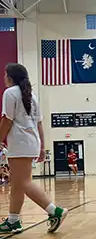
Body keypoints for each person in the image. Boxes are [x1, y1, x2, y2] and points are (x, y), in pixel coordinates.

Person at [0, 63, 67, 234]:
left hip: (20, 143)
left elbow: (7, 120)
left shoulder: (10, 93)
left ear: (10, 76)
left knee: (23, 182)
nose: (4, 77)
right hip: (31, 142)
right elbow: (39, 124)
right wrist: (42, 147)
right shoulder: (32, 96)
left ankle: (54, 211)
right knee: (16, 184)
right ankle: (13, 220)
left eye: (5, 74)